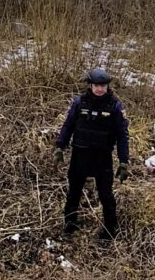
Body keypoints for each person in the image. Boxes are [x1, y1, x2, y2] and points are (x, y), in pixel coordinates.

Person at [55, 69, 130, 240]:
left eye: (103, 86)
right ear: (90, 85)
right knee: (74, 191)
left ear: (107, 86)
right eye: (96, 85)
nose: (100, 89)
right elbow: (68, 126)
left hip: (102, 157)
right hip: (80, 154)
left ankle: (110, 230)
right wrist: (60, 147)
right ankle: (70, 224)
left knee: (106, 194)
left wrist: (124, 161)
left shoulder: (115, 106)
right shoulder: (79, 103)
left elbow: (122, 135)